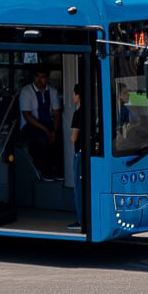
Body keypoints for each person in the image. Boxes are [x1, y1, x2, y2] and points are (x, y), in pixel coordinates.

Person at [18, 68, 61, 179]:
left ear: (47, 78)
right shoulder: (27, 91)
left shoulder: (52, 91)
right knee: (41, 139)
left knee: (61, 137)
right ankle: (44, 171)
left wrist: (54, 131)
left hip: (48, 123)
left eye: (42, 77)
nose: (39, 80)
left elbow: (56, 114)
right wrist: (47, 131)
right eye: (37, 76)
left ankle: (58, 170)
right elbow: (27, 115)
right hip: (31, 125)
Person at [68, 84, 83, 232]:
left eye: (74, 94)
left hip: (80, 153)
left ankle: (80, 219)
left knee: (79, 189)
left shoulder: (78, 114)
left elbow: (74, 137)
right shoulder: (93, 110)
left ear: (78, 96)